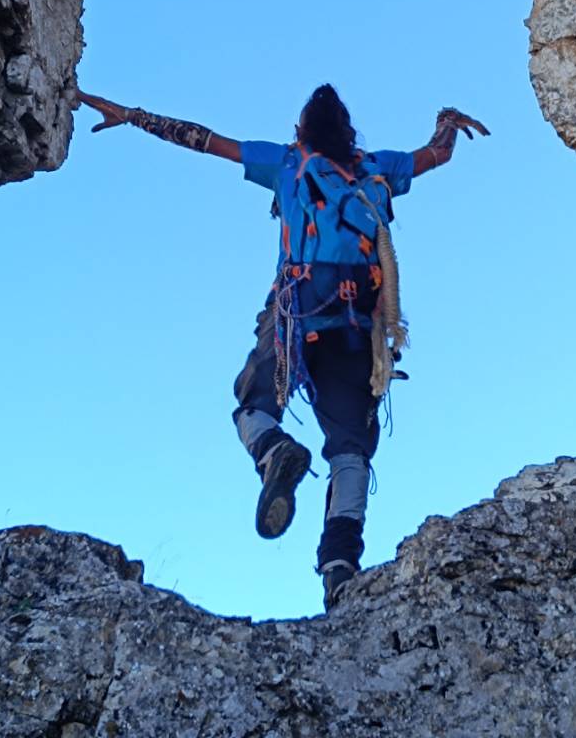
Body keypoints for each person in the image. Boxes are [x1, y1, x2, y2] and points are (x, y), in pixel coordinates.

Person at [76, 83, 489, 609]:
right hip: (360, 324)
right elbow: (440, 154)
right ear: (349, 131)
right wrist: (447, 119)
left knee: (253, 404)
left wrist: (130, 115)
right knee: (350, 450)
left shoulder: (287, 162)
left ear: (300, 132)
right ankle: (340, 570)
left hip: (300, 303)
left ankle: (275, 452)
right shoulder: (379, 168)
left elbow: (204, 140)